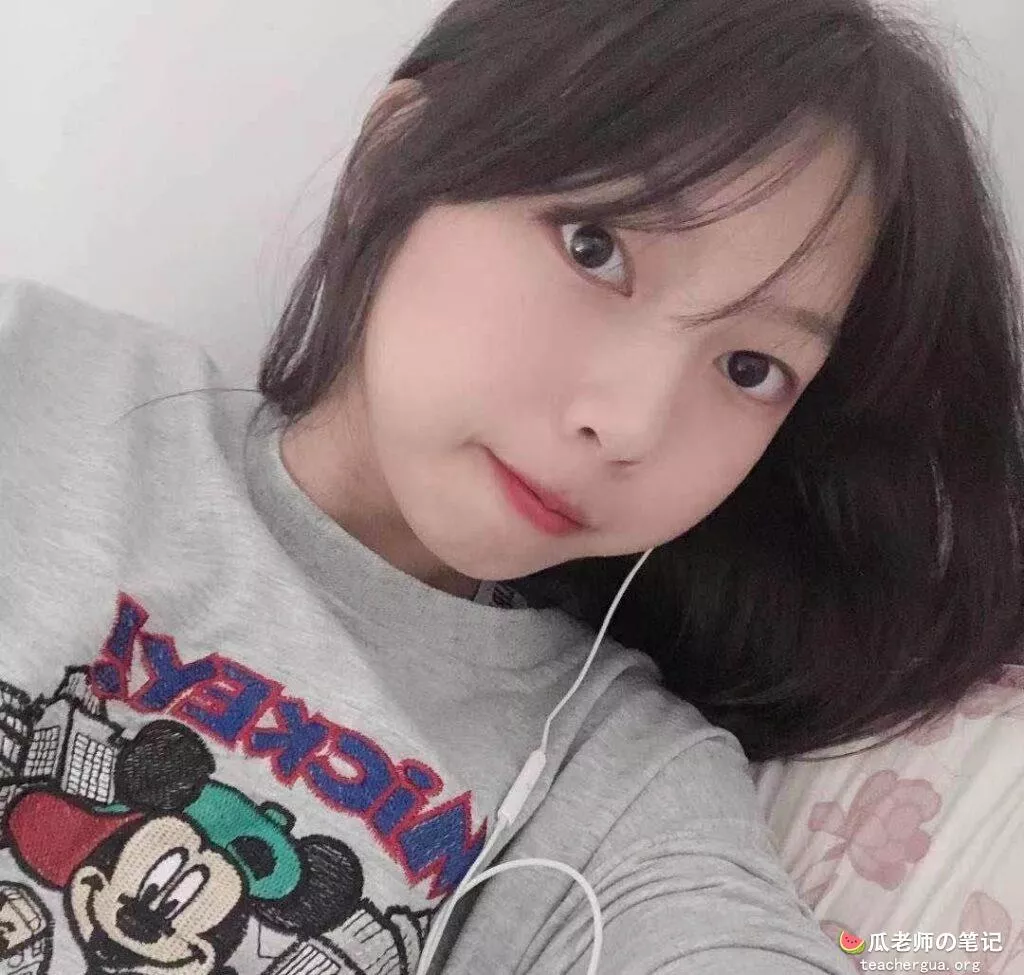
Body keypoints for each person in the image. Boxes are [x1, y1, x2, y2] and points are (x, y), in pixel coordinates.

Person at [1, 0, 1021, 972]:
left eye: (750, 368)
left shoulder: (618, 782)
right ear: (394, 158)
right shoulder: (30, 371)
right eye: (596, 247)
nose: (631, 424)